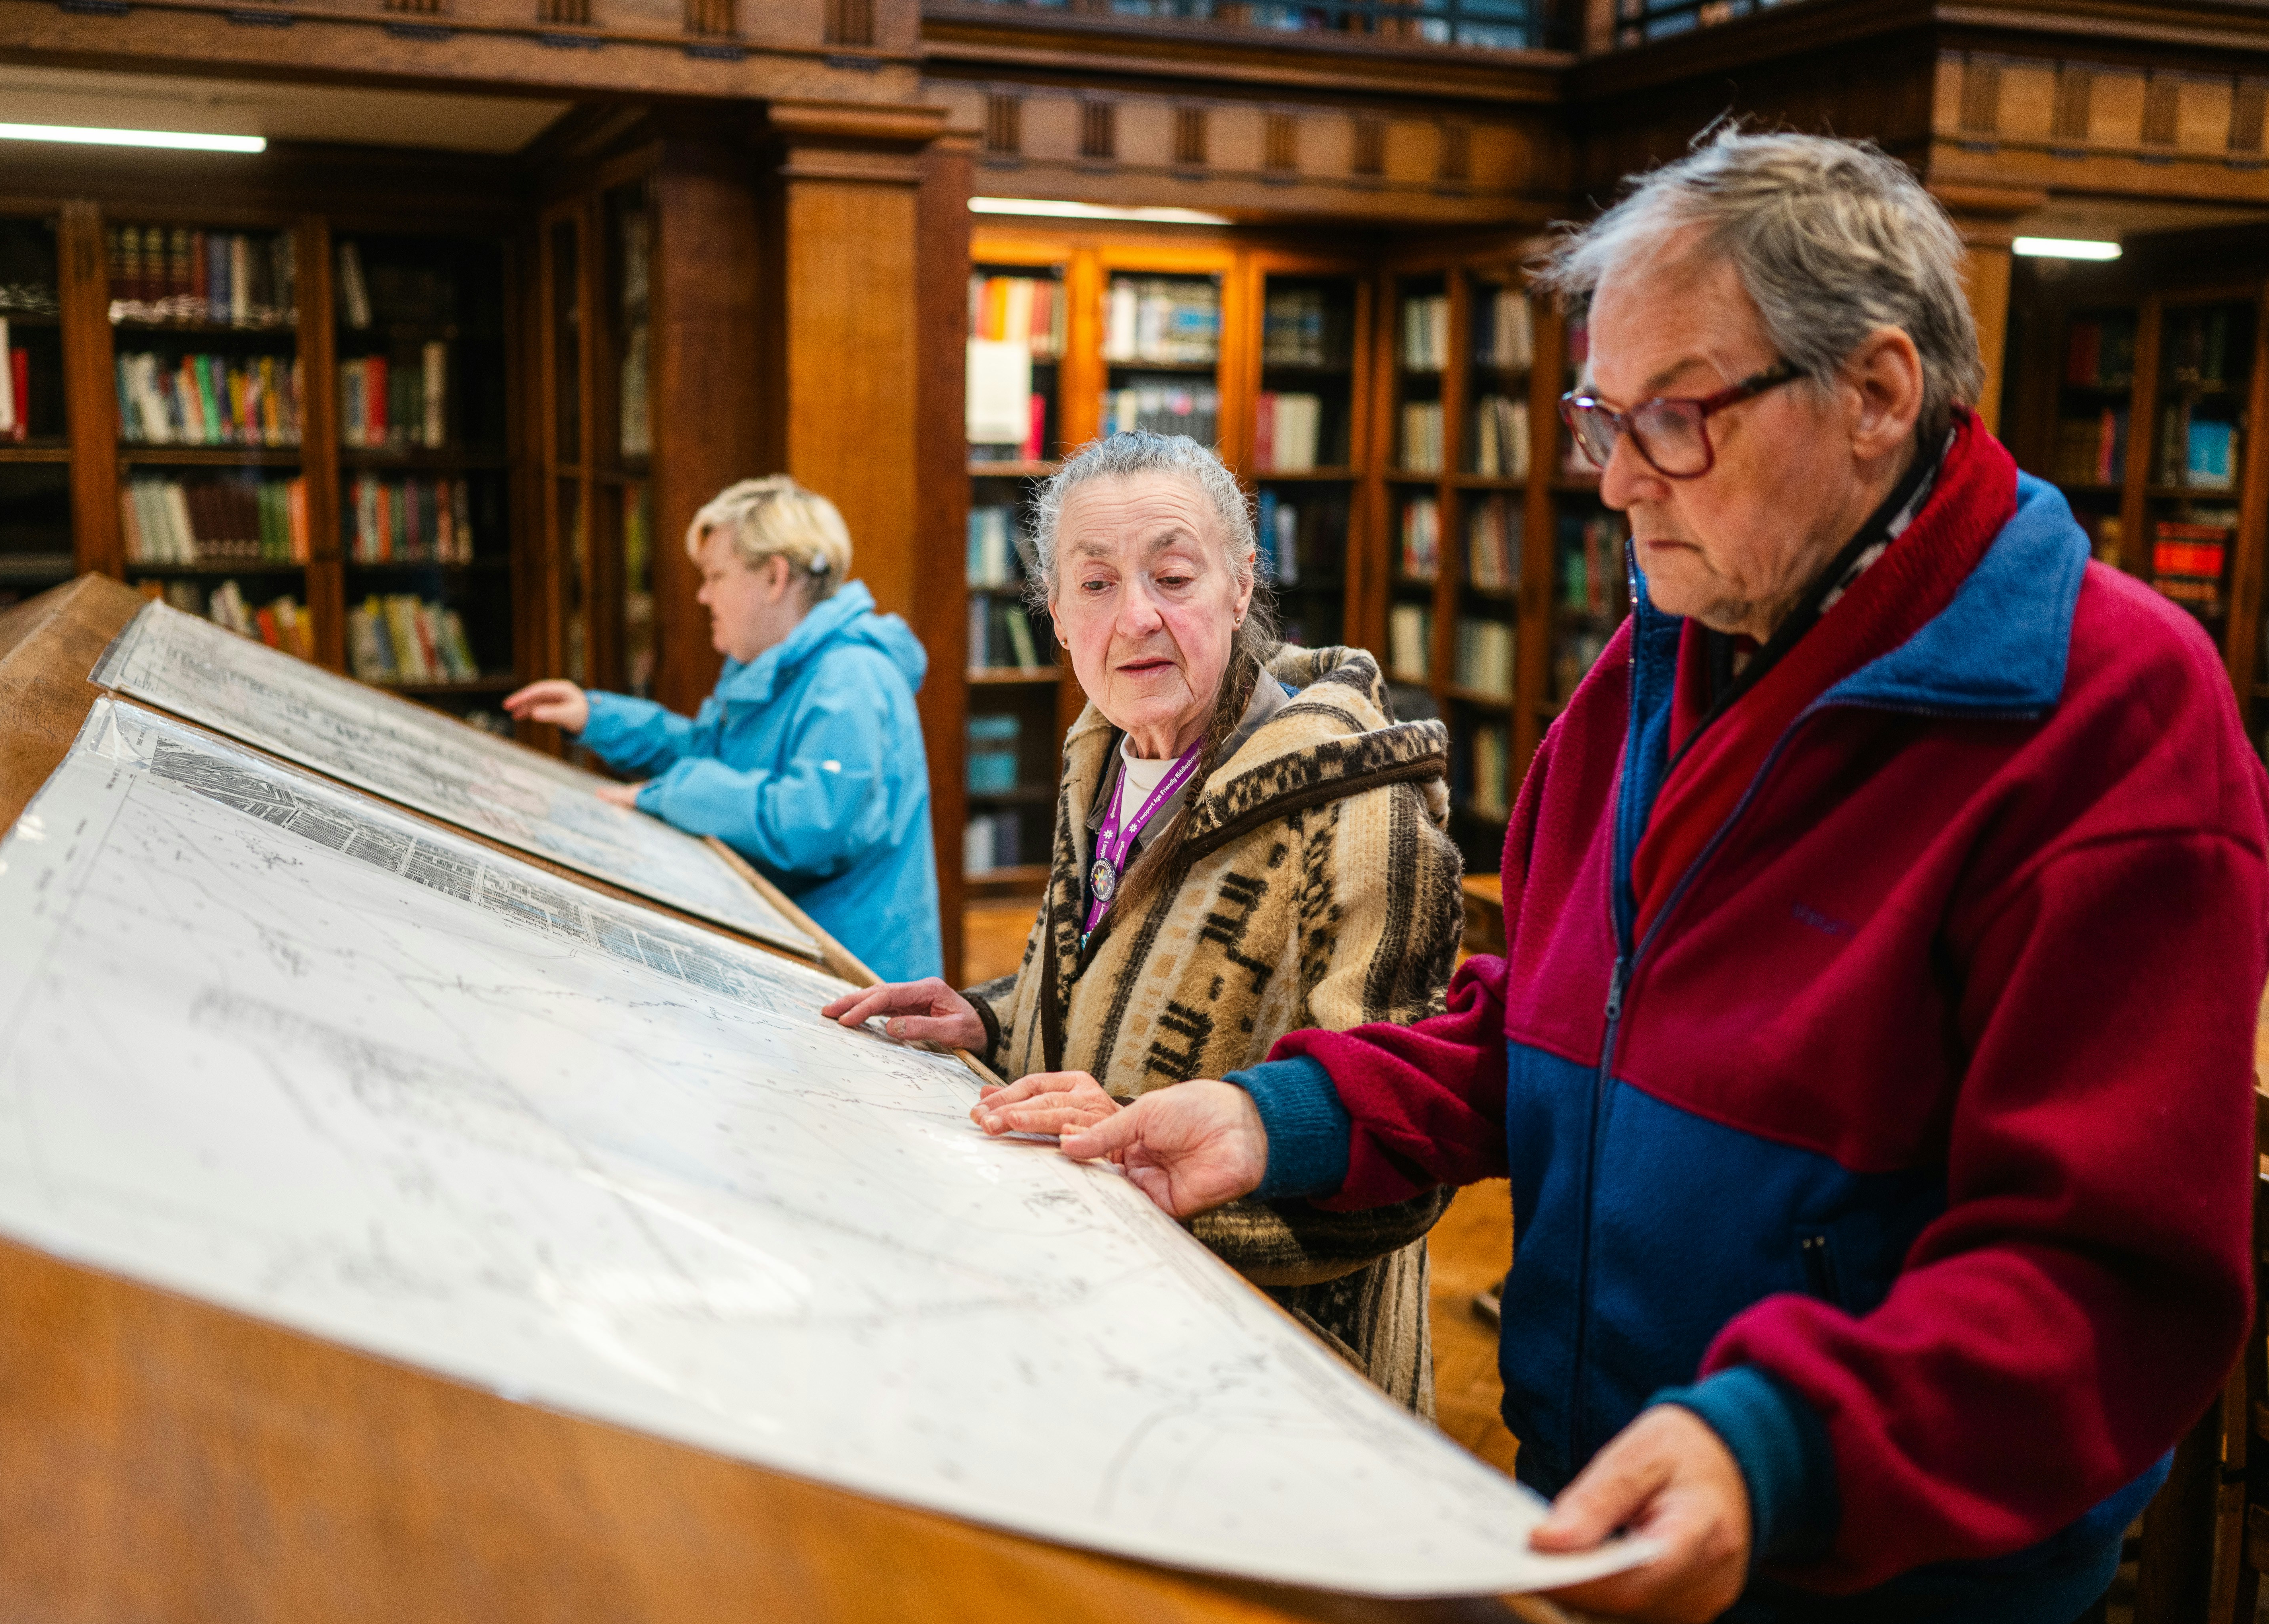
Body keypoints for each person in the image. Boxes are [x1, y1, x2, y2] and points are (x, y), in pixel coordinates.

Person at [1055, 131, 2269, 1623]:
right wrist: (1272, 1114)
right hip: (1592, 1488)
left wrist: (1776, 1447)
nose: (1617, 481)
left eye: (1673, 419)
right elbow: (1552, 1028)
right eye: (1598, 418)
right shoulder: (1666, 652)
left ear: (1876, 395)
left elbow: (2103, 1278)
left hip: (1867, 1560)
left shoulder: (2111, 711)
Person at [822, 431, 1463, 1414]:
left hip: (1274, 1373)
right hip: (1093, 1316)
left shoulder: (1361, 807)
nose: (1136, 620)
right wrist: (991, 1016)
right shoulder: (1105, 754)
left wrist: (1165, 1163)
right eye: (1093, 585)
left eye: (1171, 575)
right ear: (1054, 614)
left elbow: (1403, 1142)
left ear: (1240, 587)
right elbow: (1109, 977)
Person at [507, 475, 941, 982]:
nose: (702, 595)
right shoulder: (772, 664)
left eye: (715, 576)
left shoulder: (852, 676)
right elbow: (710, 751)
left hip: (857, 976)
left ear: (775, 578)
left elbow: (809, 823)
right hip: (802, 955)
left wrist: (668, 794)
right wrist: (597, 717)